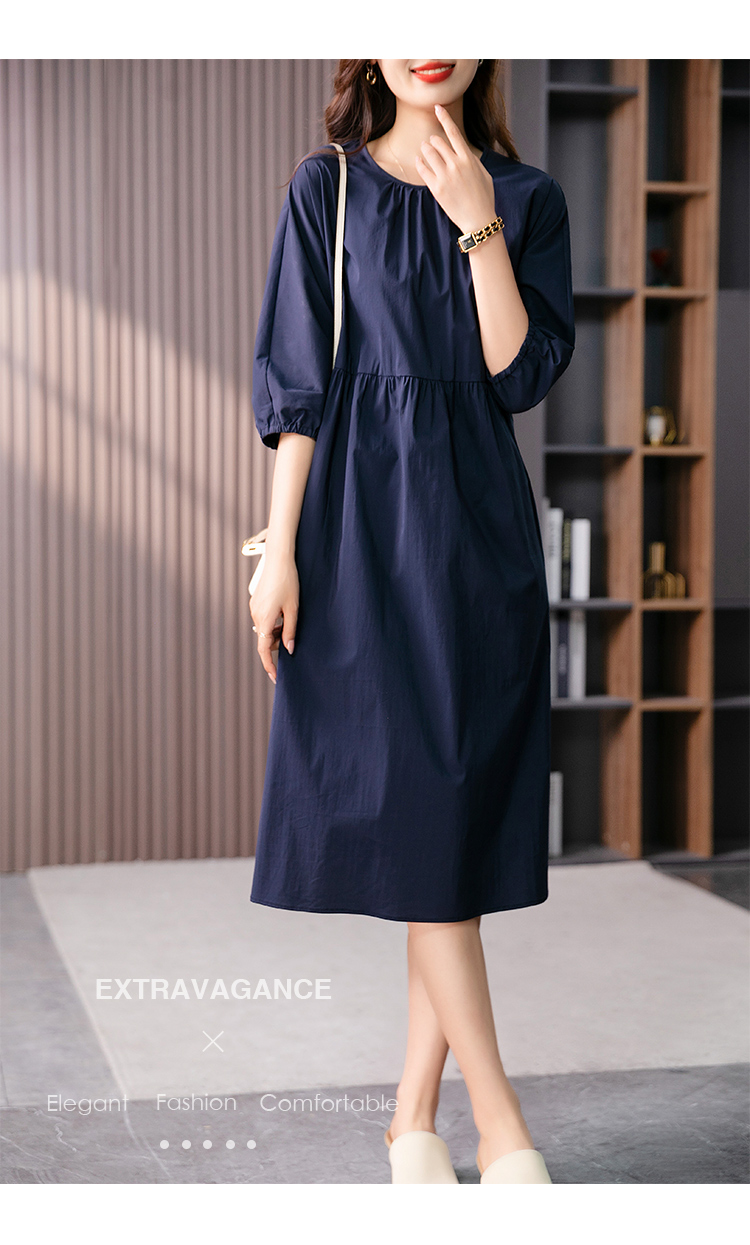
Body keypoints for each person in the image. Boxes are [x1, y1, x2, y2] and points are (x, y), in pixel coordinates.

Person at [248, 58, 574, 1184]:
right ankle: (503, 1124)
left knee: (448, 830)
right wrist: (279, 547)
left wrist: (478, 222)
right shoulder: (327, 188)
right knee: (425, 824)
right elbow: (300, 380)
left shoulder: (527, 198)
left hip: (479, 537)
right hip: (359, 533)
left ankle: (412, 1121)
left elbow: (519, 376)